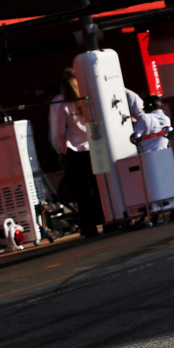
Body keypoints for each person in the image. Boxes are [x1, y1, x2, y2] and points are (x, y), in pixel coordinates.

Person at [49, 68, 104, 237]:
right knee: (99, 187)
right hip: (94, 148)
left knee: (81, 192)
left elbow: (58, 131)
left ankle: (88, 226)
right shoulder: (88, 99)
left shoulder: (61, 103)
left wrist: (61, 150)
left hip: (74, 152)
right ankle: (106, 219)